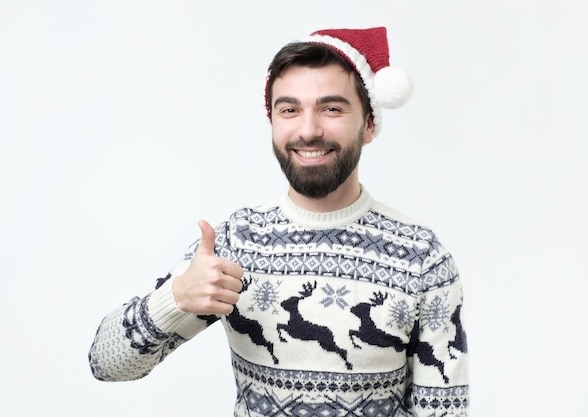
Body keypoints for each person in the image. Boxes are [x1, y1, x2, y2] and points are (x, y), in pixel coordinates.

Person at [88, 26, 470, 417]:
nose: (308, 130)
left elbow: (444, 410)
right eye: (290, 110)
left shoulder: (422, 257)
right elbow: (106, 363)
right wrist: (175, 298)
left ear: (370, 124)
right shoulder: (238, 243)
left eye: (332, 108)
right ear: (272, 121)